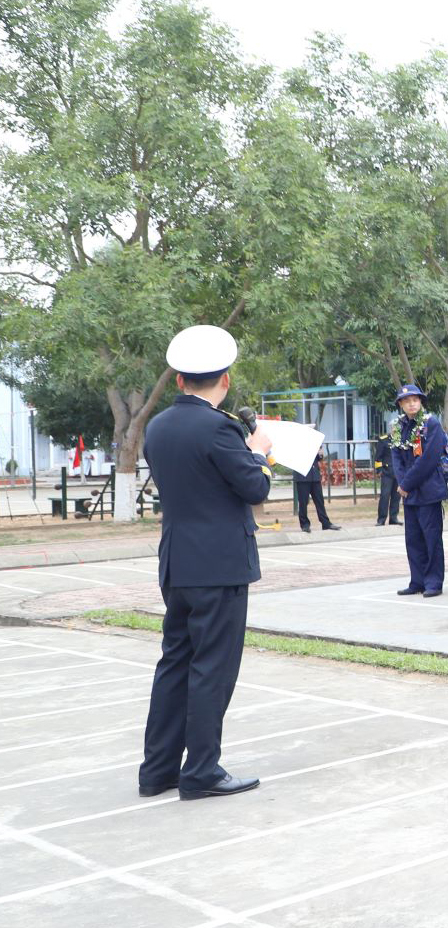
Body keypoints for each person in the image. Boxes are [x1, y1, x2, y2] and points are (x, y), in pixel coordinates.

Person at [138, 324, 273, 801]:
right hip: (219, 565)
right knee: (212, 668)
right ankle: (201, 771)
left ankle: (157, 770)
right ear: (226, 380)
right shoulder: (221, 428)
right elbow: (255, 489)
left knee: (175, 663)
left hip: (177, 561)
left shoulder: (158, 426)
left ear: (178, 380)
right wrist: (259, 455)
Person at [390, 383, 448, 597]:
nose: (411, 404)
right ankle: (417, 580)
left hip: (428, 489)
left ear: (421, 402)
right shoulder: (398, 426)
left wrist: (406, 483)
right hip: (409, 492)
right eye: (406, 401)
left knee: (431, 538)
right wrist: (402, 482)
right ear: (401, 404)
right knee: (413, 539)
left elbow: (429, 459)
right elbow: (396, 457)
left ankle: (433, 582)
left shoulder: (431, 423)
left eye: (415, 400)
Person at [289, 449, 340, 532]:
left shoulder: (314, 442)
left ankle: (326, 523)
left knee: (320, 501)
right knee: (303, 502)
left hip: (315, 475)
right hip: (302, 476)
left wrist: (320, 454)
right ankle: (305, 525)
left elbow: (319, 458)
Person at [373, 425, 402, 526]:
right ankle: (381, 519)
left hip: (398, 473)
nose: (396, 430)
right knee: (385, 496)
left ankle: (393, 518)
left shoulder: (401, 440)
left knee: (396, 496)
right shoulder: (383, 440)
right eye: (394, 428)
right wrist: (379, 470)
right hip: (386, 472)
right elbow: (378, 457)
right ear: (391, 429)